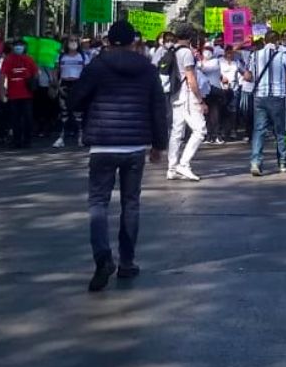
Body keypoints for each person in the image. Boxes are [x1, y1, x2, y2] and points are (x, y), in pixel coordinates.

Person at [67, 20, 168, 293]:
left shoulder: (97, 67)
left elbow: (75, 100)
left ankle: (102, 258)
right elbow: (159, 108)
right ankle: (126, 262)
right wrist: (159, 145)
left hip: (102, 144)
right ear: (134, 41)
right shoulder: (147, 69)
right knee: (131, 203)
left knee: (98, 203)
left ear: (109, 41)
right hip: (135, 146)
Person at [245, 30, 286, 176]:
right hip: (277, 96)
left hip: (259, 97)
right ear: (277, 41)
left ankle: (256, 162)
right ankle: (283, 163)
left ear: (265, 41)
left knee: (259, 131)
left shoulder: (254, 55)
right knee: (280, 132)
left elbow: (248, 76)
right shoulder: (282, 55)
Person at [164, 25, 207, 182]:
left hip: (174, 95)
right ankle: (184, 164)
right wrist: (200, 100)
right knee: (200, 130)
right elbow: (191, 78)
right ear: (190, 38)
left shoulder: (171, 50)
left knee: (176, 132)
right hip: (187, 95)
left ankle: (172, 168)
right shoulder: (187, 53)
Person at [1, 40, 39, 148]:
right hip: (13, 94)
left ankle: (27, 140)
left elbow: (36, 73)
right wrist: (2, 92)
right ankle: (16, 140)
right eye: (16, 46)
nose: (18, 48)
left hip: (27, 94)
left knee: (28, 118)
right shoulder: (8, 60)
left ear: (24, 47)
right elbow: (2, 75)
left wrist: (32, 82)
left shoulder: (29, 59)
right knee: (15, 119)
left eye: (20, 46)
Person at [55, 36, 89, 148]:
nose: (73, 43)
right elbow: (56, 71)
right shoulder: (61, 56)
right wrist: (56, 85)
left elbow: (87, 72)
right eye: (71, 40)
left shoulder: (83, 56)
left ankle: (80, 137)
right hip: (64, 85)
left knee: (78, 113)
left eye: (75, 40)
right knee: (63, 112)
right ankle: (61, 137)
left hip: (78, 84)